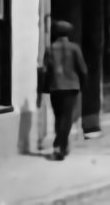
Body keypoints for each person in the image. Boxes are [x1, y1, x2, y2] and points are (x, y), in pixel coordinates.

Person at [41, 20, 87, 161]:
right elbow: (83, 70)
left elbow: (45, 70)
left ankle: (63, 146)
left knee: (59, 117)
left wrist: (44, 88)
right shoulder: (75, 48)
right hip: (71, 86)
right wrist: (82, 85)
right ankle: (59, 145)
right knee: (67, 118)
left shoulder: (50, 49)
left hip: (55, 87)